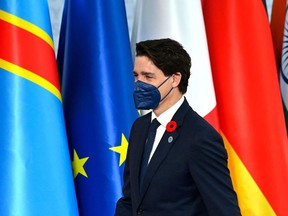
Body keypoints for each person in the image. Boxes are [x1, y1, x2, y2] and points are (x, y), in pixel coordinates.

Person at [115, 38, 241, 216]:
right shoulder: (140, 128)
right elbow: (130, 200)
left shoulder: (200, 137)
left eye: (148, 76)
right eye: (136, 76)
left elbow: (224, 210)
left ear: (174, 79)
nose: (139, 84)